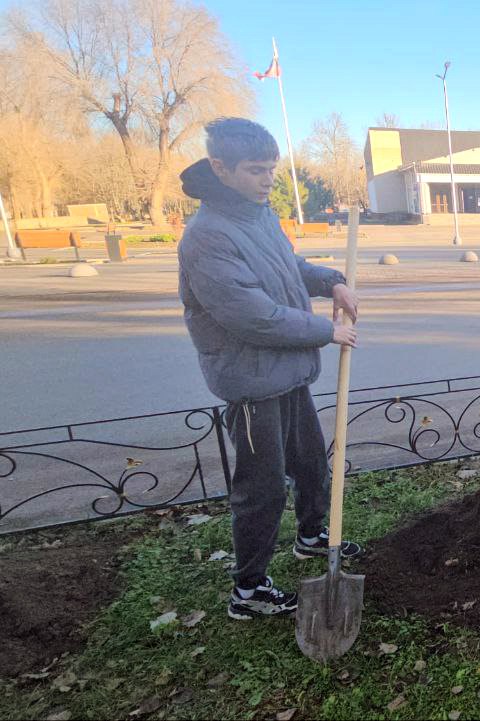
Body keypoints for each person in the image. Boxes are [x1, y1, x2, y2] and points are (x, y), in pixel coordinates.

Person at [177, 117, 364, 621]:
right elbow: (252, 317)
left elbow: (289, 267)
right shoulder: (206, 237)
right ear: (220, 167)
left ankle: (310, 535)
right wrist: (327, 331)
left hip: (286, 371)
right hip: (251, 380)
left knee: (309, 463)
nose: (268, 180)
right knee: (260, 489)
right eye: (256, 170)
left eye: (271, 169)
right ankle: (249, 589)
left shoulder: (259, 214)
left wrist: (332, 281)